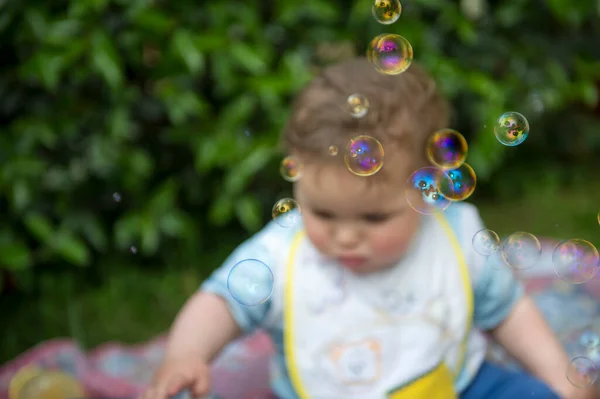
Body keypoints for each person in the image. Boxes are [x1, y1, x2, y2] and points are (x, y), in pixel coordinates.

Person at [141, 58, 598, 399]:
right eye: (321, 213)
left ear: (428, 189)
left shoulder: (455, 234)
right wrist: (186, 355)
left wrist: (560, 377)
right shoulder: (280, 254)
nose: (344, 236)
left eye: (374, 217)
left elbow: (508, 311)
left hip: (458, 386)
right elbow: (219, 303)